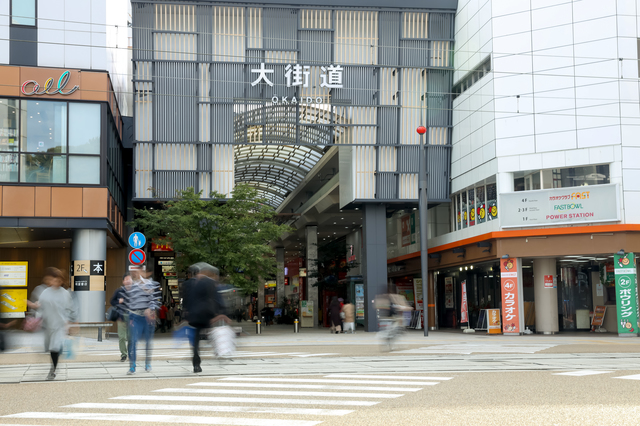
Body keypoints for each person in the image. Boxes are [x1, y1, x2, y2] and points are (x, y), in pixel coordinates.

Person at [186, 263, 228, 373]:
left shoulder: (190, 283)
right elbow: (216, 298)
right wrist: (222, 312)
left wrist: (187, 315)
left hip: (195, 315)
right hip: (207, 314)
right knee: (213, 332)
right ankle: (217, 350)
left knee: (196, 339)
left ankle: (196, 362)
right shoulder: (211, 283)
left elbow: (187, 299)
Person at [37, 267, 77, 380]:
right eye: (54, 280)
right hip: (48, 324)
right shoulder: (45, 292)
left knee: (54, 347)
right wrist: (38, 317)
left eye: (58, 280)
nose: (55, 282)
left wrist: (70, 322)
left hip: (60, 324)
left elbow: (70, 308)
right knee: (51, 347)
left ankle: (53, 369)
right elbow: (41, 307)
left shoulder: (64, 293)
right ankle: (55, 361)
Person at [124, 269, 160, 375]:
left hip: (148, 318)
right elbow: (129, 302)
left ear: (141, 271)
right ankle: (132, 366)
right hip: (135, 317)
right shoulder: (131, 286)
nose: (133, 273)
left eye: (135, 270)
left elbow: (155, 299)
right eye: (132, 271)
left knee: (148, 342)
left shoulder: (148, 284)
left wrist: (151, 308)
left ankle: (148, 363)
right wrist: (130, 316)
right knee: (133, 341)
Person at [110, 274, 132, 362]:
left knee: (131, 337)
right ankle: (124, 354)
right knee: (122, 337)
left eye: (129, 279)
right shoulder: (119, 291)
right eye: (126, 279)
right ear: (123, 281)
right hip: (121, 316)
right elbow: (112, 301)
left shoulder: (134, 291)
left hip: (132, 317)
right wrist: (118, 301)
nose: (128, 281)